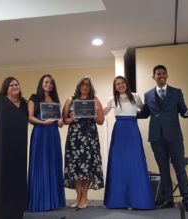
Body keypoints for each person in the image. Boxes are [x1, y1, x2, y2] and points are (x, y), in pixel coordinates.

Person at [138, 65, 188, 212]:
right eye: (158, 74)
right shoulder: (148, 94)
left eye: (164, 73)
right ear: (153, 77)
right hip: (156, 138)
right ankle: (168, 199)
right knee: (163, 169)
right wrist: (127, 114)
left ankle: (187, 200)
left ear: (167, 76)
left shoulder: (176, 92)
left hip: (174, 136)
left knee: (180, 169)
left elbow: (184, 111)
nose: (161, 76)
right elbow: (145, 113)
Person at [103, 76, 155, 209]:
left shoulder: (135, 96)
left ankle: (136, 200)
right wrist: (87, 108)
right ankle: (118, 201)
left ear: (126, 84)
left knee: (134, 162)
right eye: (117, 84)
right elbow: (102, 113)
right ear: (115, 87)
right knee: (118, 163)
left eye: (122, 83)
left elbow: (145, 111)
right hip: (119, 131)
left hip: (132, 129)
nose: (120, 85)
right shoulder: (112, 99)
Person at [62, 76, 104, 209]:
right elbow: (64, 120)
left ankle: (85, 196)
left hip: (89, 136)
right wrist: (72, 118)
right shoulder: (70, 100)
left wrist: (92, 114)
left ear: (90, 87)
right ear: (79, 86)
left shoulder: (95, 101)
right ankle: (78, 196)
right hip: (74, 137)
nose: (85, 87)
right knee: (75, 167)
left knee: (87, 166)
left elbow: (101, 120)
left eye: (87, 85)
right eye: (83, 84)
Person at [27, 74, 66, 212]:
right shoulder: (34, 97)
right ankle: (40, 202)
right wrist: (43, 122)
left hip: (53, 134)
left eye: (51, 83)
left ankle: (53, 202)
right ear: (41, 83)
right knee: (40, 165)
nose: (49, 85)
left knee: (52, 164)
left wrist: (61, 122)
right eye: (46, 82)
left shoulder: (55, 100)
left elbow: (60, 122)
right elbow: (30, 118)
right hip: (40, 133)